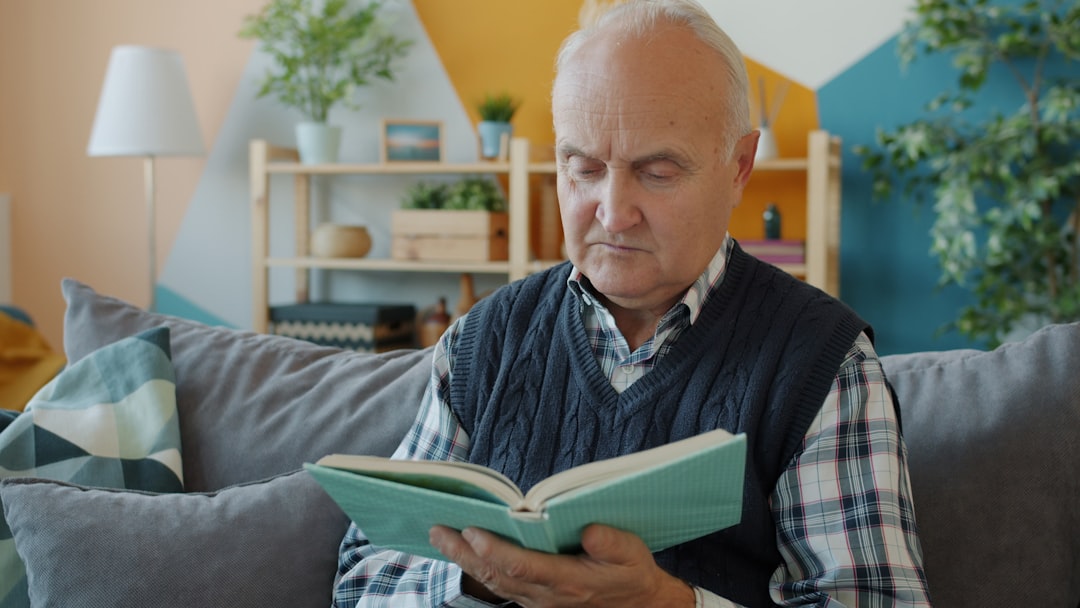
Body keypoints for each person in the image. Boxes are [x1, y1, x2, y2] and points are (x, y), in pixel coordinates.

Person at [334, 0, 931, 605]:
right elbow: (362, 581)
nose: (614, 213)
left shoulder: (822, 361)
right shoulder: (483, 339)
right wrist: (479, 574)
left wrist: (666, 603)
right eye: (583, 168)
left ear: (739, 167)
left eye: (658, 172)